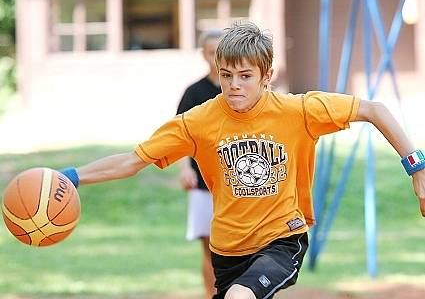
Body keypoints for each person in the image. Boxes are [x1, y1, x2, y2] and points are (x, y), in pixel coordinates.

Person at [61, 22, 425, 299]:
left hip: (282, 238)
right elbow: (132, 160)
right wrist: (72, 176)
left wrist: (417, 168)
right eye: (227, 75)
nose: (234, 85)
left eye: (246, 76)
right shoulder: (199, 120)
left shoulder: (298, 110)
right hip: (227, 249)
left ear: (267, 76)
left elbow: (375, 110)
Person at [176, 29, 223, 299]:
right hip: (204, 186)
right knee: (209, 248)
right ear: (203, 54)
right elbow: (180, 137)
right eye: (210, 52)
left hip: (237, 185)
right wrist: (184, 169)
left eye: (219, 51)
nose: (215, 57)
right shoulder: (194, 93)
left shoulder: (239, 91)